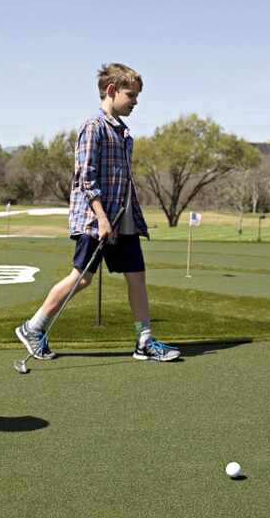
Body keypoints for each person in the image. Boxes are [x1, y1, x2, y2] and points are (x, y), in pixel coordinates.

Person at [15, 63, 180, 362]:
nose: (136, 102)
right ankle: (33, 328)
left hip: (123, 217)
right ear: (112, 91)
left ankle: (144, 342)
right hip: (97, 219)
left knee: (137, 277)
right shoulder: (94, 127)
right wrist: (102, 217)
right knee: (82, 277)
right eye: (131, 95)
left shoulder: (124, 132)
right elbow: (85, 177)